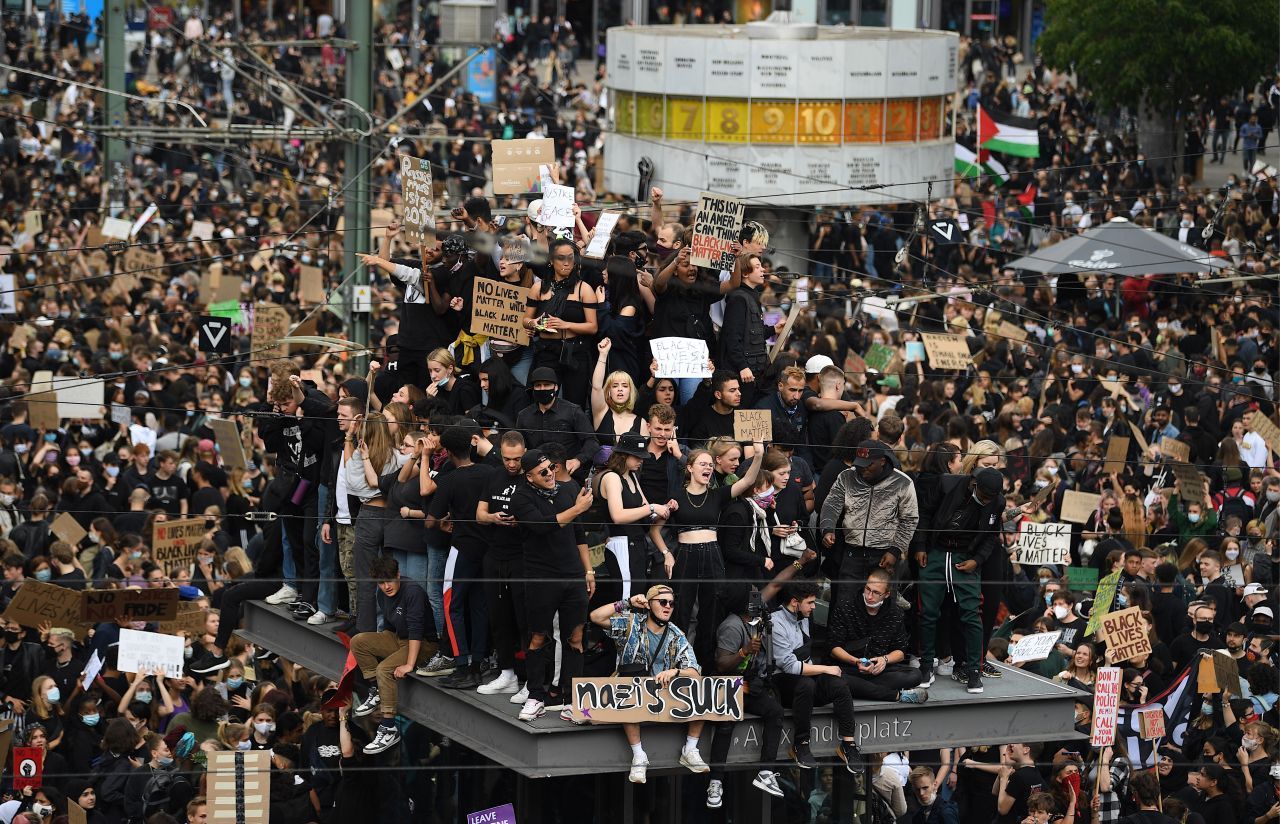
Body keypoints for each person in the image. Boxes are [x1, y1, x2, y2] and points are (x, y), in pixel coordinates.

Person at [651, 441, 764, 667]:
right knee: (682, 610)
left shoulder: (717, 495)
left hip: (712, 555)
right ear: (690, 468)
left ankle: (706, 666)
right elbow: (654, 529)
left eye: (711, 465)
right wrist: (667, 553)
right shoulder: (677, 497)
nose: (708, 468)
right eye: (703, 464)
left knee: (711, 612)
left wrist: (759, 453)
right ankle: (678, 665)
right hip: (685, 554)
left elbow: (748, 481)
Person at [588, 584, 709, 784]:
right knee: (629, 685)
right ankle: (639, 756)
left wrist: (676, 671)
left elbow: (694, 672)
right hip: (632, 694)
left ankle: (690, 749)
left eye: (671, 603)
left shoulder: (675, 635)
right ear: (649, 604)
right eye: (662, 602)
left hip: (662, 696)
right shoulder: (631, 623)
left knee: (703, 687)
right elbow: (595, 617)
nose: (668, 606)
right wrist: (626, 603)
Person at [508, 448, 594, 722]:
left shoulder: (568, 490)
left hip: (572, 575)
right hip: (541, 576)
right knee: (538, 636)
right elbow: (542, 525)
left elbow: (579, 533)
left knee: (576, 637)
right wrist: (578, 508)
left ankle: (572, 699)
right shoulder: (521, 497)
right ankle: (535, 696)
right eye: (543, 471)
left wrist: (589, 570)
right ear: (529, 477)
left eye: (552, 468)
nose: (550, 474)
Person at [917, 467, 1006, 695]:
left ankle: (973, 671)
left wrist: (977, 561)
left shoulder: (997, 502)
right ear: (974, 484)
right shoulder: (947, 484)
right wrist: (919, 546)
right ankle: (926, 666)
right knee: (928, 612)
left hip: (966, 556)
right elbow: (924, 513)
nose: (985, 501)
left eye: (990, 498)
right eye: (983, 496)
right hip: (937, 550)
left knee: (971, 614)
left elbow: (990, 536)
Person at [703, 585, 787, 808]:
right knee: (727, 723)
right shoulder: (732, 626)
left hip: (749, 686)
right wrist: (745, 651)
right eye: (754, 597)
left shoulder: (757, 623)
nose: (760, 600)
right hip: (726, 687)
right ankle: (715, 781)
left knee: (775, 712)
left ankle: (766, 771)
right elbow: (721, 664)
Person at [768, 580, 861, 772]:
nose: (813, 607)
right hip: (781, 682)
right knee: (807, 685)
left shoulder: (802, 617)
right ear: (795, 602)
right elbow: (789, 666)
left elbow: (806, 660)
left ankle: (848, 744)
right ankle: (800, 744)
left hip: (805, 678)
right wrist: (825, 669)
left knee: (839, 684)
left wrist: (826, 673)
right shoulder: (775, 622)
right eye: (810, 602)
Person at [819, 439, 919, 605]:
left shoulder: (903, 482)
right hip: (852, 553)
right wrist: (827, 528)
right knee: (845, 605)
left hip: (884, 556)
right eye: (860, 463)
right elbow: (831, 504)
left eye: (868, 464)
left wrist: (895, 550)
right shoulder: (847, 476)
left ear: (882, 461)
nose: (862, 468)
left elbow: (909, 520)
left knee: (881, 607)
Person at [350, 555, 430, 754]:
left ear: (398, 575)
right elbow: (388, 625)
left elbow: (416, 631)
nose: (386, 586)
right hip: (398, 637)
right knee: (358, 641)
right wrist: (378, 644)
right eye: (381, 582)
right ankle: (376, 690)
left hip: (425, 644)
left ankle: (388, 728)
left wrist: (409, 664)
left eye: (389, 580)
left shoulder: (413, 592)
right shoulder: (382, 593)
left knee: (384, 668)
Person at [827, 568, 929, 704]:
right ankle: (896, 696)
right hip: (848, 667)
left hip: (879, 671)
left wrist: (884, 660)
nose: (869, 596)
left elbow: (900, 651)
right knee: (831, 677)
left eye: (876, 593)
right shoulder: (845, 606)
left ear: (886, 594)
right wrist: (856, 661)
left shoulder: (895, 613)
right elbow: (833, 648)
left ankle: (860, 688)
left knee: (915, 675)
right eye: (867, 589)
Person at [515, 367, 599, 484]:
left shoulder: (573, 411)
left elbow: (592, 442)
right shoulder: (524, 416)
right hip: (537, 479)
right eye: (538, 385)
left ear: (556, 387)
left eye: (547, 385)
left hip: (569, 476)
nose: (542, 388)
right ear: (533, 388)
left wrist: (577, 460)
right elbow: (520, 447)